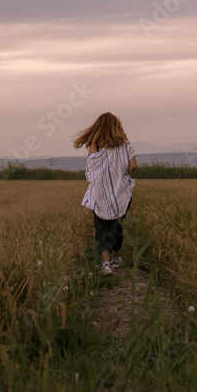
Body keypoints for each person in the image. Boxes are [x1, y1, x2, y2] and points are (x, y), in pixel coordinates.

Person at [73, 112, 137, 276]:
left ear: (97, 127)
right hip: (120, 193)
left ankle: (106, 265)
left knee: (101, 229)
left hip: (100, 194)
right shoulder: (125, 144)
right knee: (117, 227)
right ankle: (116, 260)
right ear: (117, 126)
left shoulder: (95, 144)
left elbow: (92, 168)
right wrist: (126, 176)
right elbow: (133, 166)